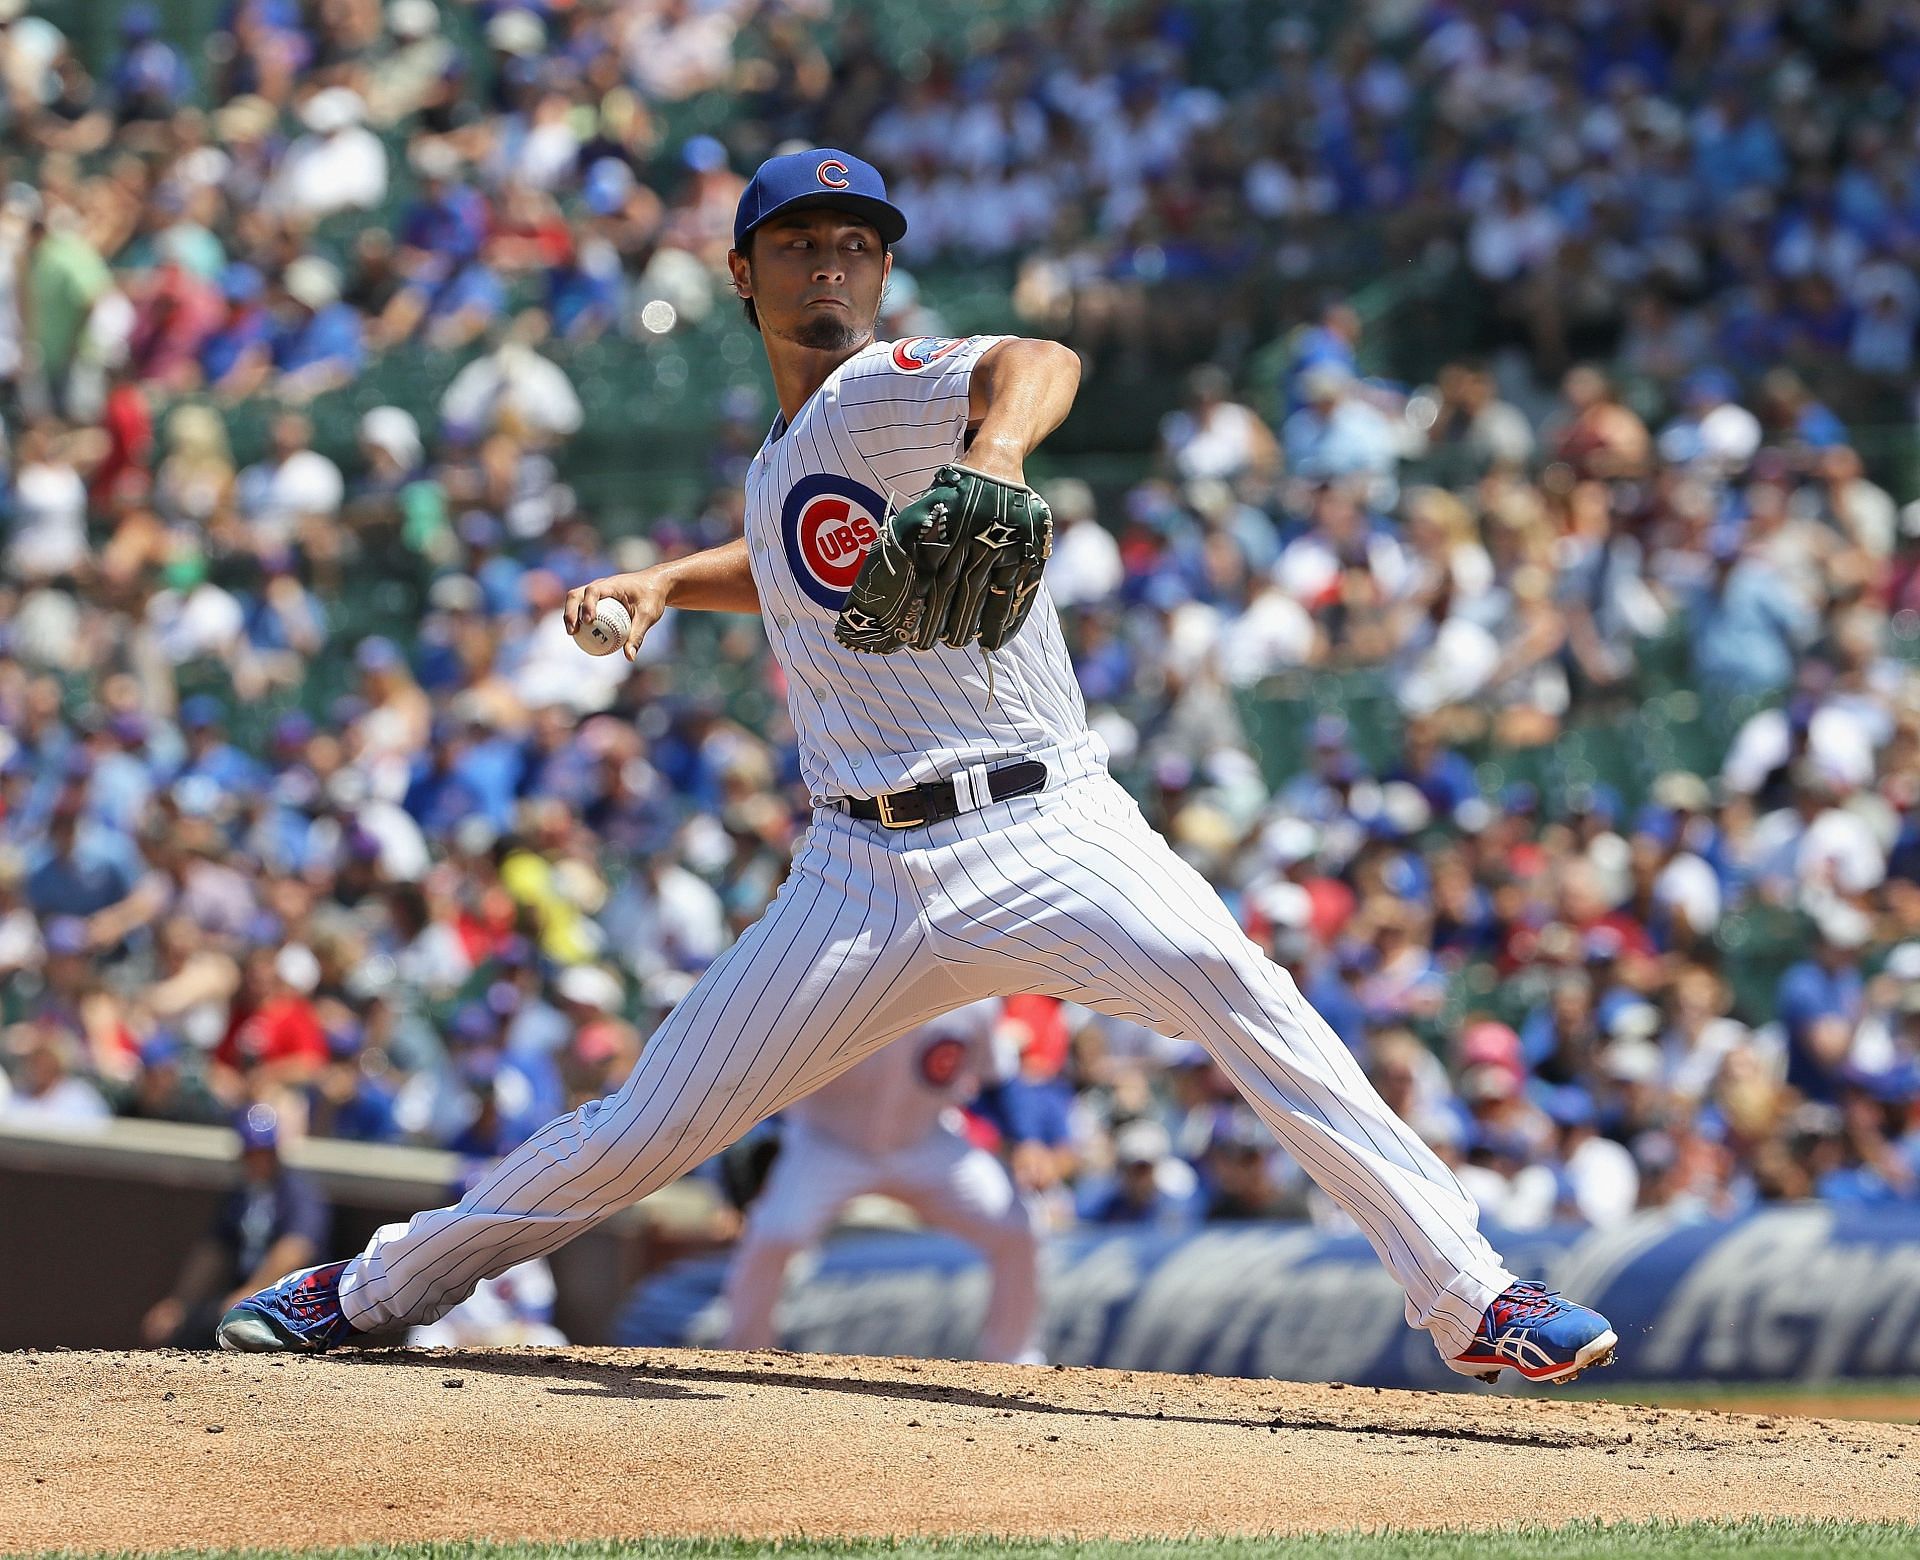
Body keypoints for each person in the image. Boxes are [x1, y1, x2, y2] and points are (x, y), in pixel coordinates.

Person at [219, 148, 1617, 1388]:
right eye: (799, 246)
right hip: (859, 874)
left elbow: (1038, 359)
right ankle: (369, 1290)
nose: (830, 267)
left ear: (883, 270)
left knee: (1242, 989)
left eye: (854, 246)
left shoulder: (887, 392)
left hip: (1047, 822)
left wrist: (999, 444)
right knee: (650, 1122)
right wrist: (659, 580)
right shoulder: (789, 462)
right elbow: (786, 563)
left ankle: (1473, 1297)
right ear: (742, 273)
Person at [720, 1002, 1043, 1365]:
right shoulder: (832, 990)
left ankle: (1015, 1358)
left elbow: (999, 1077)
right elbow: (763, 1081)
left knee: (1017, 1227)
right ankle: (741, 1355)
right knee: (776, 1233)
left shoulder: (972, 999)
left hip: (925, 1140)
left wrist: (1025, 1138)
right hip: (827, 1143)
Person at [141, 1106, 332, 1347]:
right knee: (189, 1330)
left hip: (292, 1300)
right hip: (240, 1299)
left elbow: (296, 1248)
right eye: (251, 1152)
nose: (256, 1159)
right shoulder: (240, 1195)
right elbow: (214, 1251)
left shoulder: (297, 1193)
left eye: (262, 1152)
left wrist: (250, 1292)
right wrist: (179, 1303)